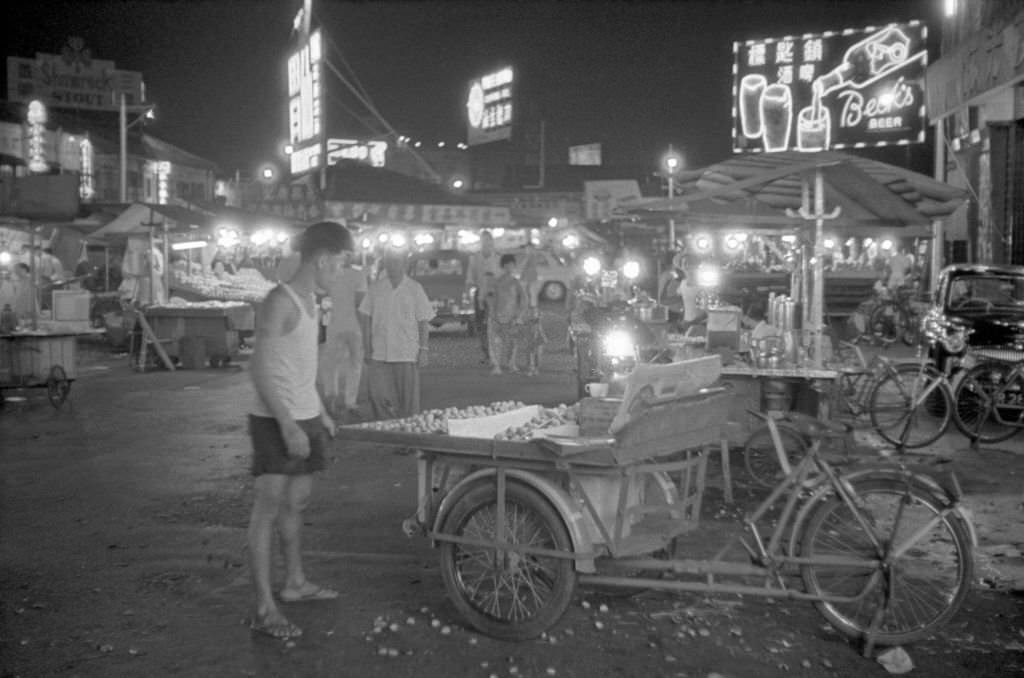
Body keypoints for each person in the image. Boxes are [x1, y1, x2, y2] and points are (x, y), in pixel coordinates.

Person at [246, 221, 353, 641]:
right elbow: (261, 369)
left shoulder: (311, 300)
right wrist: (288, 423)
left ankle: (294, 583)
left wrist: (319, 413)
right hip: (276, 420)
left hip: (306, 415)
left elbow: (299, 367)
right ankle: (264, 607)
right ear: (324, 259)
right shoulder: (280, 301)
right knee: (268, 508)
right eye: (341, 263)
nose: (341, 271)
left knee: (298, 503)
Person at [359, 249, 435, 420]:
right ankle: (387, 430)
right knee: (377, 396)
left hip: (406, 352)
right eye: (389, 261)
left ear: (405, 264)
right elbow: (365, 318)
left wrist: (424, 349)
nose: (393, 265)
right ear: (385, 263)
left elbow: (423, 321)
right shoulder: (376, 289)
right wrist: (366, 346)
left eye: (397, 261)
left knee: (408, 402)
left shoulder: (415, 289)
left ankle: (409, 437)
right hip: (379, 352)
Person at [318, 250, 367, 420]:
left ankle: (331, 398)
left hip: (336, 325)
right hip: (355, 327)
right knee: (355, 364)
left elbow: (320, 294)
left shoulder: (332, 274)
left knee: (333, 364)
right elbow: (361, 303)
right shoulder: (359, 275)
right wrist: (365, 329)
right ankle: (350, 402)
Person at [464, 231, 501, 364]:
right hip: (480, 295)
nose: (486, 243)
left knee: (495, 325)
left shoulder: (498, 258)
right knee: (481, 326)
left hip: (495, 295)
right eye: (483, 240)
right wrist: (468, 295)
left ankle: (496, 353)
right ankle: (486, 353)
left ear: (492, 241)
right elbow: (470, 278)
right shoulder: (474, 258)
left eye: (488, 240)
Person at [488, 253, 528, 375]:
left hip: (512, 317)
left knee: (512, 343)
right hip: (497, 316)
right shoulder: (497, 282)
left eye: (511, 265)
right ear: (503, 266)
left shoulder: (516, 282)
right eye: (506, 265)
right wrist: (493, 314)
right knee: (496, 343)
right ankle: (497, 366)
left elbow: (524, 300)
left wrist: (519, 315)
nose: (508, 267)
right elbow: (493, 299)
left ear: (514, 266)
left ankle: (511, 364)